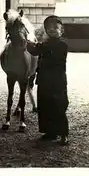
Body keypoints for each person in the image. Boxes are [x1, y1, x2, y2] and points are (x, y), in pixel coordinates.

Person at [27, 15, 69, 145]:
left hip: (57, 81)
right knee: (45, 106)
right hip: (44, 80)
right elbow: (33, 51)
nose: (52, 30)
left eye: (55, 28)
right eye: (49, 28)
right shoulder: (44, 44)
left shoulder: (62, 45)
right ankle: (50, 132)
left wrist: (39, 46)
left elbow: (52, 54)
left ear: (61, 31)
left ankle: (63, 134)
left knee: (59, 106)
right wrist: (28, 43)